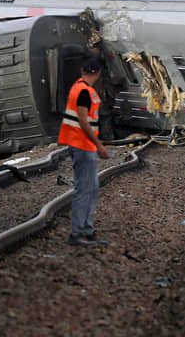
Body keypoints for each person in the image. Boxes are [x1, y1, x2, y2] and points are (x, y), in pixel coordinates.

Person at [58, 57, 110, 246]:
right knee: (84, 189)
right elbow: (83, 121)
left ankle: (87, 231)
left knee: (92, 188)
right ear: (97, 74)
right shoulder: (84, 92)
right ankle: (77, 233)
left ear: (82, 71)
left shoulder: (79, 88)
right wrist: (99, 145)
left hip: (83, 144)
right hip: (81, 144)